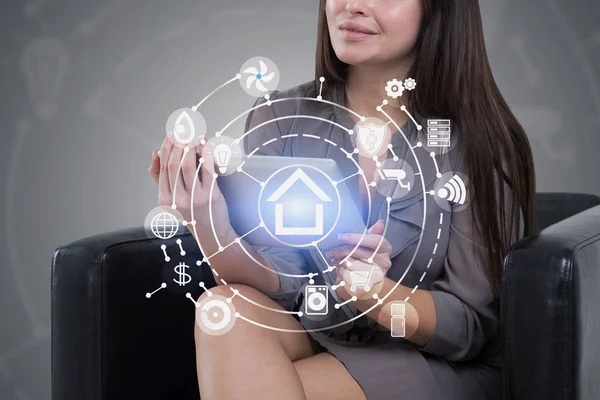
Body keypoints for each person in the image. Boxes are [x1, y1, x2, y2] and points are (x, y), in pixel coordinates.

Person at [148, 0, 536, 398]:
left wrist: (376, 295)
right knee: (227, 308)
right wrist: (210, 224)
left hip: (431, 359)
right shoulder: (281, 115)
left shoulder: (480, 143)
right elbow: (276, 286)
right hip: (317, 334)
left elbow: (469, 329)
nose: (352, 5)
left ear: (438, 10)